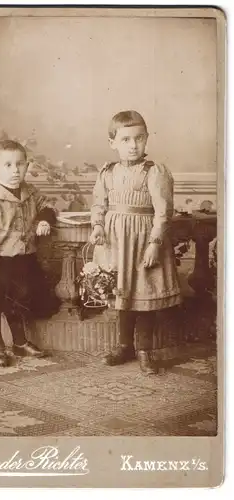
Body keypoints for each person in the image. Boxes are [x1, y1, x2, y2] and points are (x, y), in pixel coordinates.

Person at [89, 110, 182, 375]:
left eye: (138, 139)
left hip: (143, 241)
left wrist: (154, 243)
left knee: (143, 296)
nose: (133, 145)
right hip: (115, 243)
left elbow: (163, 212)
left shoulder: (154, 171)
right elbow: (99, 204)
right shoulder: (107, 172)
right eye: (126, 139)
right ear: (113, 143)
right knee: (123, 295)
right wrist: (97, 226)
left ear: (146, 139)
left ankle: (144, 350)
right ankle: (124, 346)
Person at [0, 139, 59, 367]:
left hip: (21, 260)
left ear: (27, 166)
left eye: (20, 164)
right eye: (8, 165)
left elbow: (46, 205)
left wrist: (44, 220)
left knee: (16, 302)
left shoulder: (29, 192)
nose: (15, 170)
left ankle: (19, 342)